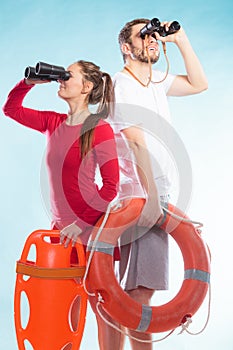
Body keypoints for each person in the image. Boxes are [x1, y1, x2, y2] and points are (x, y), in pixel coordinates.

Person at [97, 18, 208, 349]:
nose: (153, 40)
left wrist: (182, 40)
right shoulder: (122, 84)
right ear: (125, 47)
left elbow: (199, 84)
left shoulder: (156, 80)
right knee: (139, 293)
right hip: (142, 196)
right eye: (143, 36)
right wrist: (154, 199)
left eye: (155, 35)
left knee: (131, 293)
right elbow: (136, 142)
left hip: (153, 194)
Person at [3, 60, 119, 348]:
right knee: (68, 307)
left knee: (101, 308)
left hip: (90, 230)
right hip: (62, 231)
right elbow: (11, 109)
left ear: (87, 86)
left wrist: (78, 225)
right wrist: (29, 83)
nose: (62, 80)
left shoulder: (99, 129)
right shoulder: (52, 122)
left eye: (69, 76)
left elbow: (111, 188)